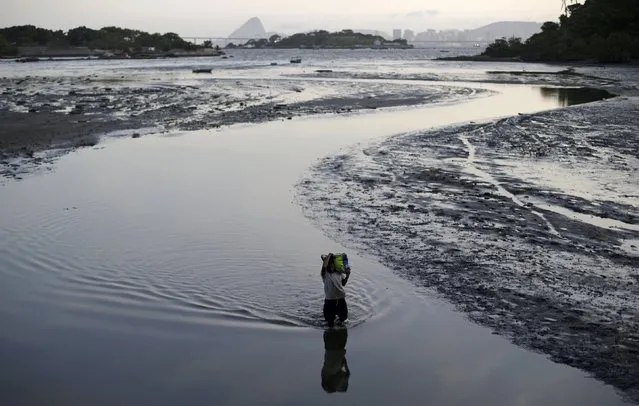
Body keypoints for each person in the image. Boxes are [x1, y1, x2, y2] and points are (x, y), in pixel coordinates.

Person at [321, 253, 351, 328]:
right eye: (330, 263)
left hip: (341, 299)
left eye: (332, 263)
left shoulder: (339, 273)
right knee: (329, 322)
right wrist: (329, 255)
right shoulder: (325, 274)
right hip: (329, 301)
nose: (331, 265)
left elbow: (343, 283)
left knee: (343, 319)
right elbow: (324, 266)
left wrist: (347, 275)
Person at [321, 328, 350, 393]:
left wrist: (346, 375)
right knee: (341, 323)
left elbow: (345, 373)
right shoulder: (339, 370)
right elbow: (345, 370)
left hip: (332, 346)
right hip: (339, 347)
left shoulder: (329, 372)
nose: (344, 381)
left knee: (332, 324)